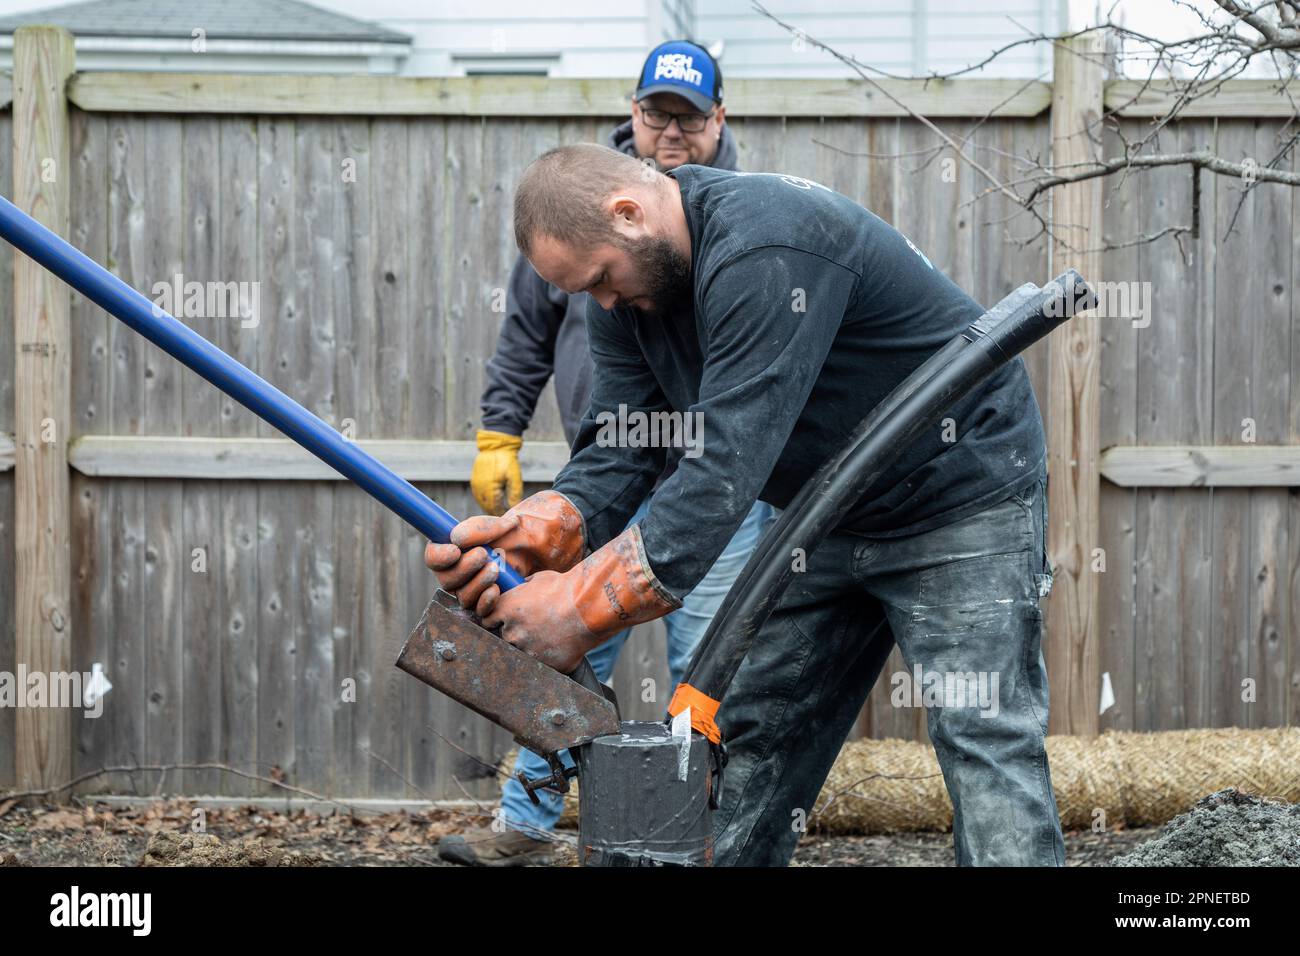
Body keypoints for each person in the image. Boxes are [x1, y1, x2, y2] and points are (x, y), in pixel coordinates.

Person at [428, 142, 1067, 867]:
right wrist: (543, 530)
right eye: (586, 290)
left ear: (629, 213)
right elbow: (625, 446)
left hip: (959, 494)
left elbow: (725, 462)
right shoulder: (625, 301)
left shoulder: (766, 242)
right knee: (756, 736)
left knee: (982, 732)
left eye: (602, 278)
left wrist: (577, 608)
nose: (600, 302)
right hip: (822, 514)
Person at [437, 40, 773, 867]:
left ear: (717, 122)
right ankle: (524, 823)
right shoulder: (571, 216)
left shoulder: (738, 228)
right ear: (634, 112)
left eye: (689, 119)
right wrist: (499, 433)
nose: (670, 131)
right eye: (657, 113)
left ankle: (695, 840)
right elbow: (525, 335)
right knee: (552, 647)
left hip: (719, 490)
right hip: (609, 480)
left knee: (710, 666)